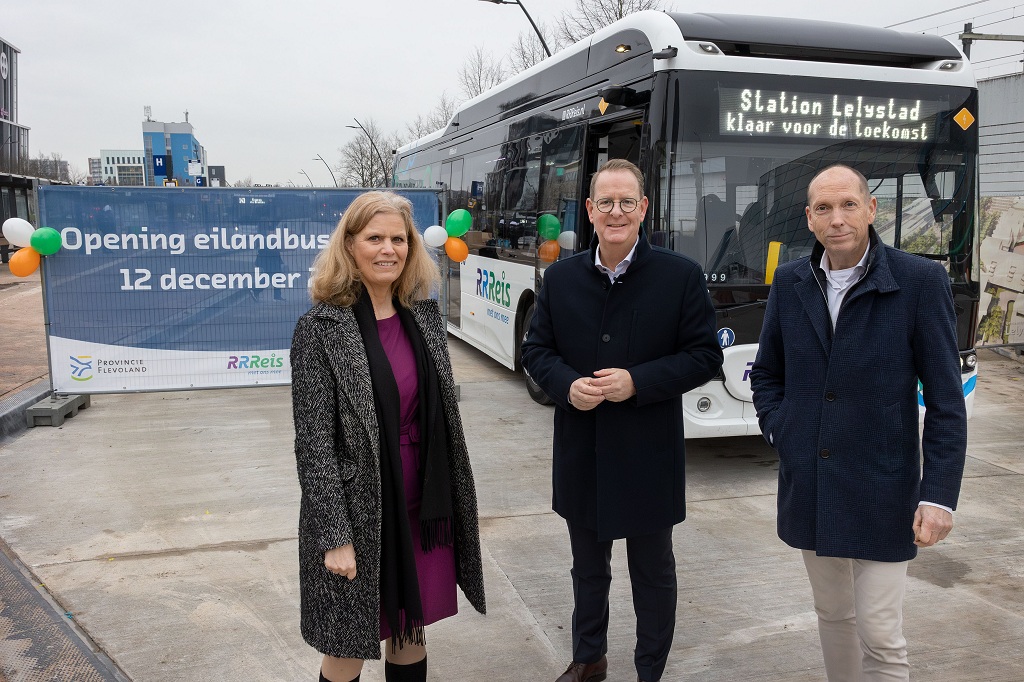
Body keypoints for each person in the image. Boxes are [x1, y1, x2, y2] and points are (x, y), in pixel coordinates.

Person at [749, 164, 967, 681]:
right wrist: (782, 430)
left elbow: (945, 400)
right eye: (823, 208)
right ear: (808, 218)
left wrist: (938, 495)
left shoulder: (919, 282)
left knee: (880, 632)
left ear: (872, 210)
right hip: (813, 482)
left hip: (884, 488)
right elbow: (768, 372)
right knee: (833, 615)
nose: (837, 218)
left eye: (848, 204)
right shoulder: (791, 281)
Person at [521, 159, 724, 682]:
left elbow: (704, 356)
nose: (616, 212)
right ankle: (589, 659)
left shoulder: (680, 276)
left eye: (626, 202)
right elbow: (536, 350)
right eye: (605, 202)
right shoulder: (562, 278)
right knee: (588, 569)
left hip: (648, 454)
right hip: (581, 451)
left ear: (643, 210)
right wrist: (566, 385)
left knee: (652, 573)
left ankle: (649, 669)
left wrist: (638, 382)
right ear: (589, 211)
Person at [290, 191, 486, 682]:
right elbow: (314, 444)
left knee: (410, 631)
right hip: (358, 510)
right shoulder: (320, 329)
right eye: (374, 238)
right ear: (350, 245)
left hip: (424, 501)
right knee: (346, 648)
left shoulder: (423, 316)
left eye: (398, 238)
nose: (388, 249)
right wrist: (335, 538)